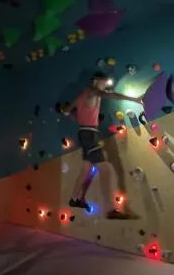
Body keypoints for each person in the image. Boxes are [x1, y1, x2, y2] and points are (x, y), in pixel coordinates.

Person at [61, 72, 143, 220]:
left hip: (84, 133)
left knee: (86, 169)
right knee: (105, 169)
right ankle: (109, 209)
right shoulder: (93, 91)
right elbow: (111, 95)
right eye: (104, 82)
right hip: (90, 134)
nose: (105, 85)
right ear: (96, 81)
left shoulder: (82, 95)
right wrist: (134, 99)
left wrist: (67, 110)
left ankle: (74, 199)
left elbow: (67, 111)